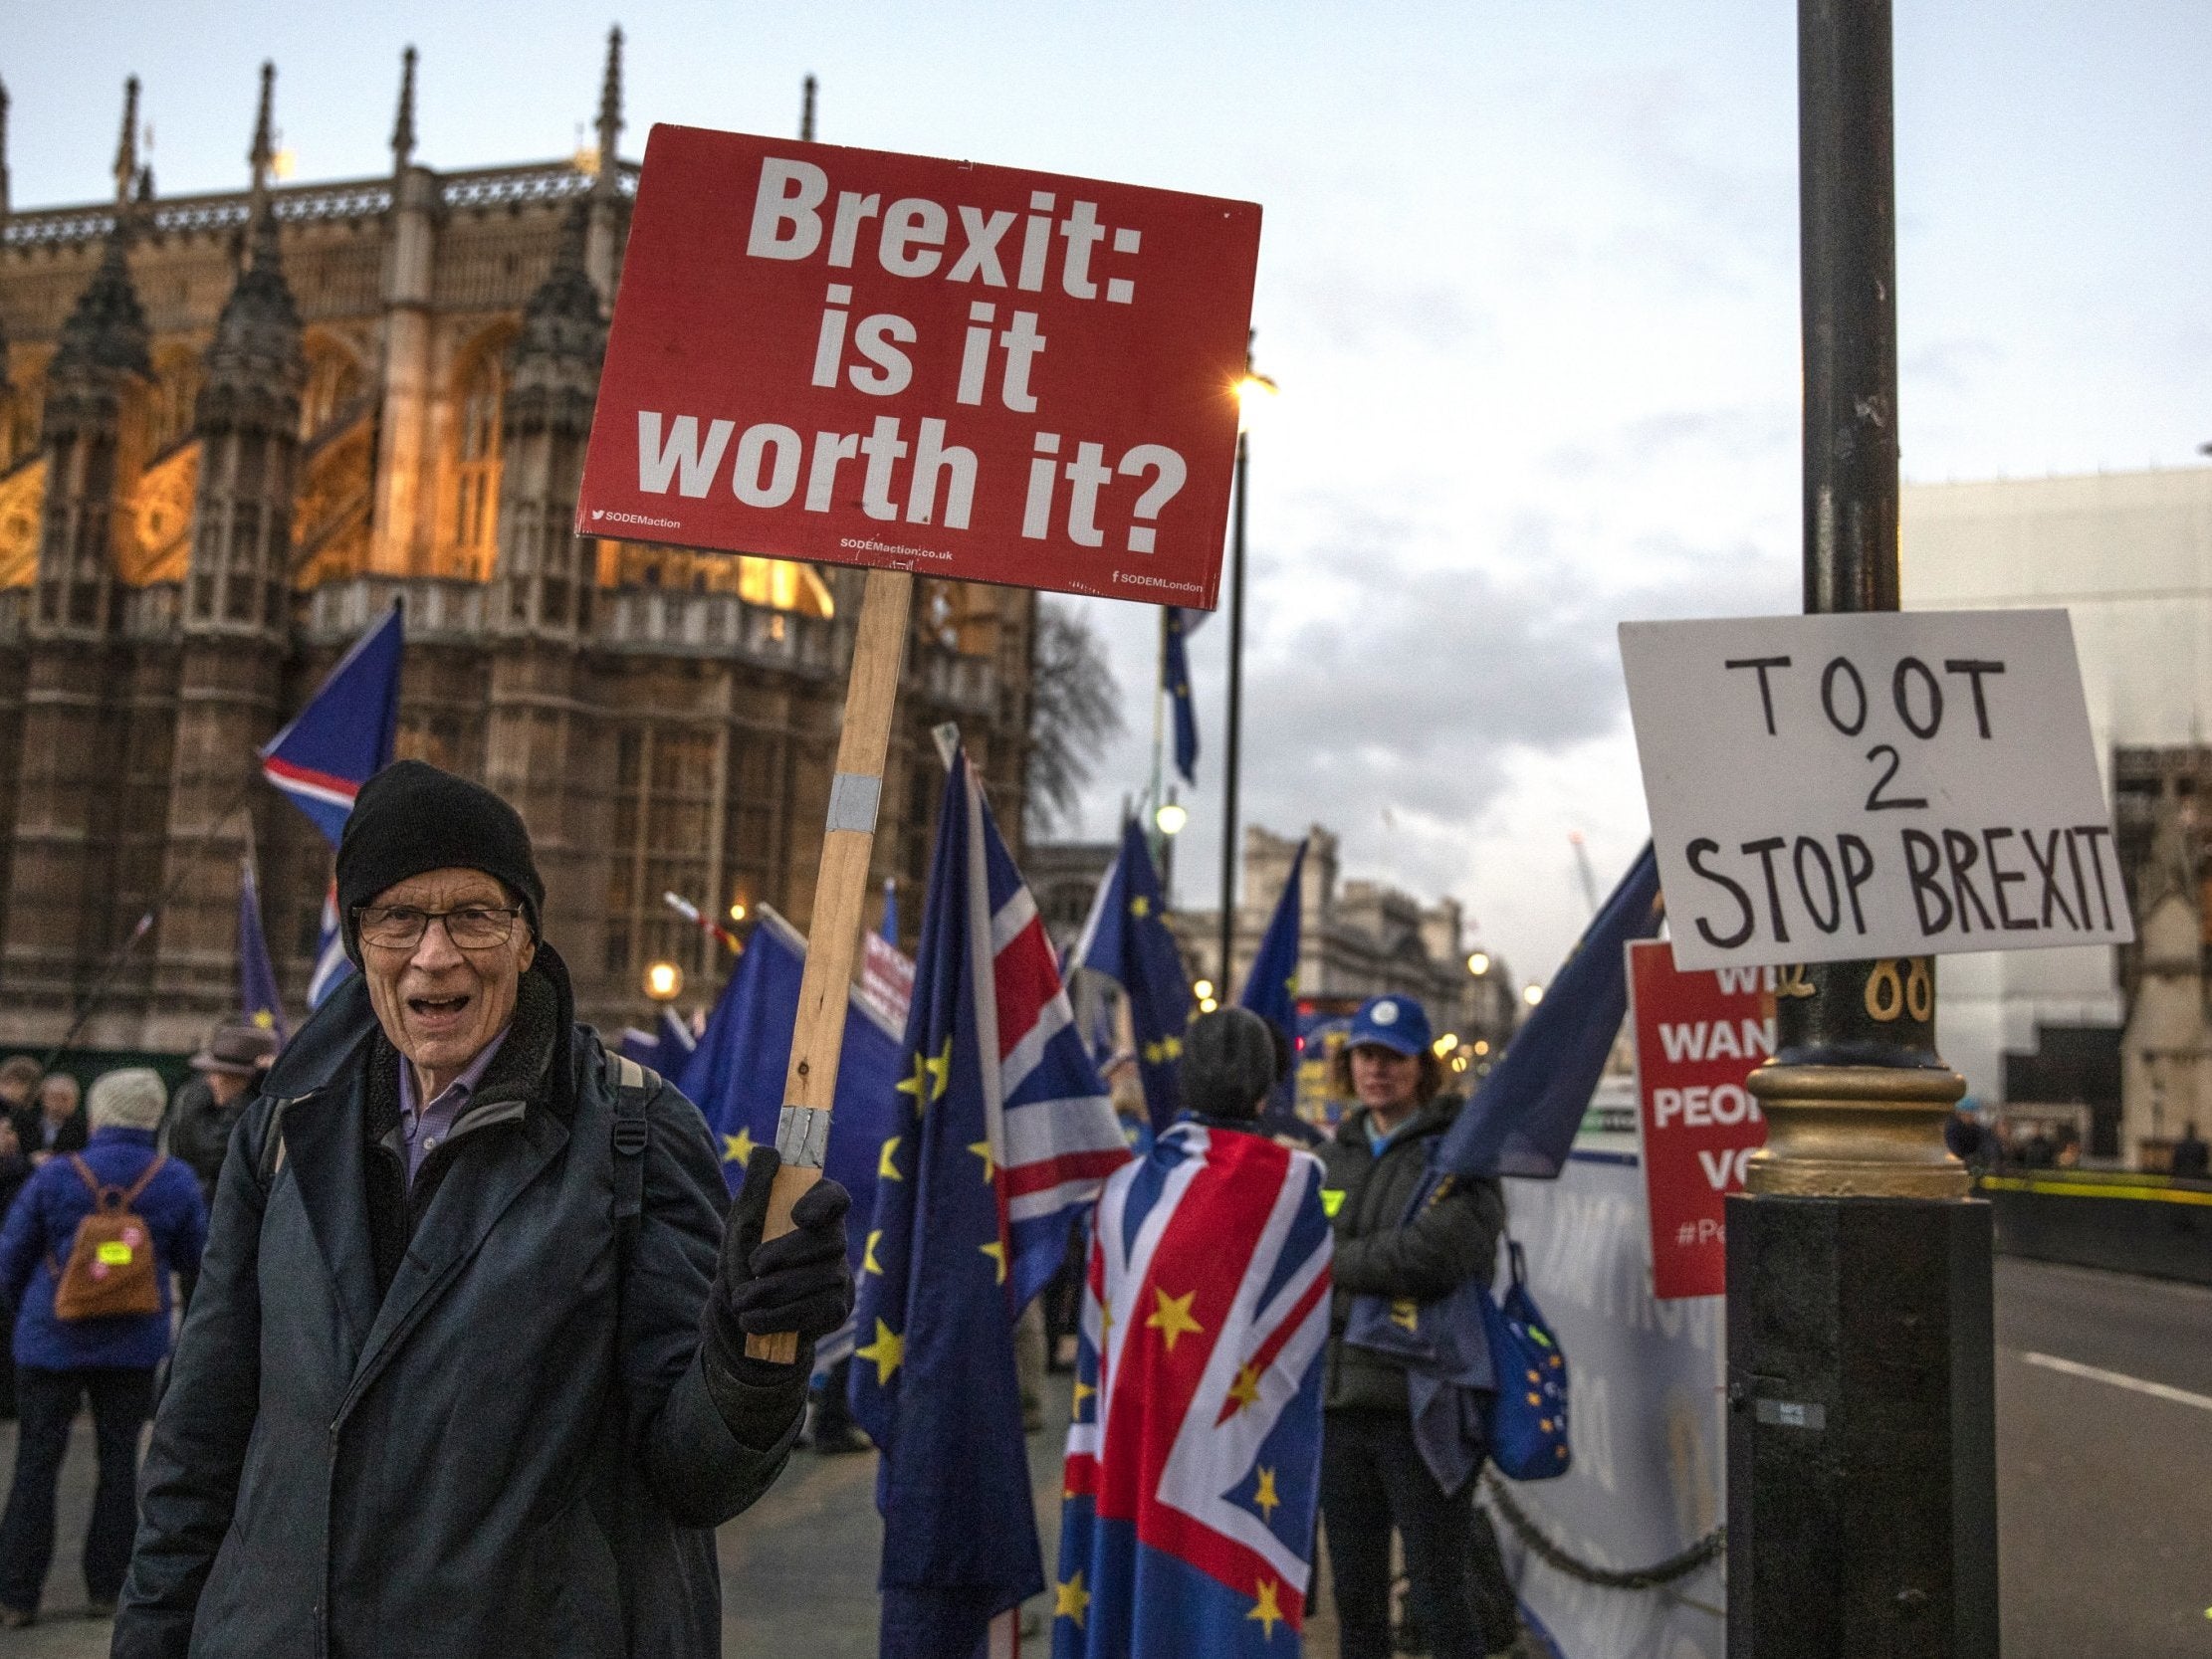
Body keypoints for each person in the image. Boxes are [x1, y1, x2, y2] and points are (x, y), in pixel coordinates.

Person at [113, 760, 854, 1658]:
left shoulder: (637, 1130)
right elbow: (198, 1451)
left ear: (526, 938)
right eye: (399, 918)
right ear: (359, 942)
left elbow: (695, 1477)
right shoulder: (277, 1131)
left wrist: (750, 1355)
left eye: (474, 915)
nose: (436, 953)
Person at [1055, 1007, 1331, 1653]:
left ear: (1185, 1082)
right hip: (1230, 1453)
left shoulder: (1121, 1189)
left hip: (1132, 1435)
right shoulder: (1294, 1186)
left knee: (1133, 1603)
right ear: (1265, 1090)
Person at [1316, 994, 1514, 1659]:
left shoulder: (1462, 1153)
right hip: (1339, 1407)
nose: (1378, 1069)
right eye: (1366, 1055)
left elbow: (1437, 1256)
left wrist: (1334, 1263)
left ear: (1421, 1066)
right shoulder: (1335, 1151)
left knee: (1440, 1593)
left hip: (1422, 1407)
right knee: (1358, 1600)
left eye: (1394, 1056)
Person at [0, 1069, 207, 1627]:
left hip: (50, 1342)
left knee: (35, 1467)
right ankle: (107, 1589)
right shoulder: (176, 1179)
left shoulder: (57, 1176)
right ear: (154, 1116)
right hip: (133, 1345)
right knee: (120, 1467)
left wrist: (26, 1316)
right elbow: (200, 1266)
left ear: (96, 1117)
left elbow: (11, 1256)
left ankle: (16, 1596)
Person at [165, 1022, 279, 1209]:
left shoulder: (256, 1115)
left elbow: (216, 1154)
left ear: (243, 1079)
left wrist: (246, 1100)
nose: (210, 1080)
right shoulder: (207, 1104)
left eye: (218, 1073)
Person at [15, 1073, 88, 1166]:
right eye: (53, 1097)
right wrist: (30, 1160)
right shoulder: (24, 1123)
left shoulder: (84, 1129)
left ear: (75, 1101)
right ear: (43, 1098)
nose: (58, 1104)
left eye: (65, 1099)